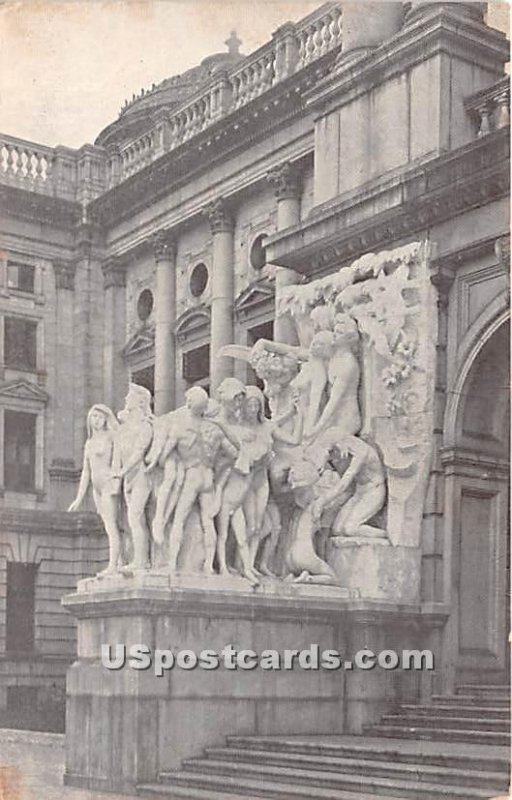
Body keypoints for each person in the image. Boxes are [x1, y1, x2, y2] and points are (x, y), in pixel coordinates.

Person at [68, 404, 123, 577]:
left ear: (106, 419)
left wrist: (116, 481)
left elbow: (117, 460)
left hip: (108, 484)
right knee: (108, 525)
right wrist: (79, 498)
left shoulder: (112, 436)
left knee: (112, 526)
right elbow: (86, 471)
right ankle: (118, 562)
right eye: (94, 417)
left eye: (100, 417)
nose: (96, 420)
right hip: (96, 488)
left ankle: (114, 564)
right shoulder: (89, 442)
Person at [115, 383, 154, 571]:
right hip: (128, 477)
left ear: (140, 401)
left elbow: (139, 452)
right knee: (131, 520)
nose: (125, 399)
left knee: (136, 517)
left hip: (140, 475)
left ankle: (142, 561)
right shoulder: (125, 426)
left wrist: (122, 472)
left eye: (129, 396)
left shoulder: (146, 425)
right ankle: (136, 558)